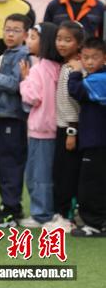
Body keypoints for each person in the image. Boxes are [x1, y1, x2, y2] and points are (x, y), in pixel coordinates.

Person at [0, 14, 31, 227]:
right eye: (7, 29)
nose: (10, 34)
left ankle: (11, 210)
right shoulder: (8, 53)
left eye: (16, 30)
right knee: (1, 162)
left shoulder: (23, 54)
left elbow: (16, 85)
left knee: (9, 163)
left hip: (13, 117)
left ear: (25, 34)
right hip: (3, 116)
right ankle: (8, 205)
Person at [19, 22, 61, 228]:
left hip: (41, 130)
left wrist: (24, 80)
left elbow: (32, 97)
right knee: (48, 173)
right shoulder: (57, 67)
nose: (28, 41)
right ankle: (47, 211)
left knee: (37, 175)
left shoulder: (38, 69)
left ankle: (41, 214)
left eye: (33, 37)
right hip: (55, 129)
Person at [43, 21, 85, 232]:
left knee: (67, 174)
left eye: (68, 40)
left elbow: (74, 104)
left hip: (70, 129)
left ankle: (66, 218)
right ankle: (61, 214)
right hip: (63, 128)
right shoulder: (67, 65)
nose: (61, 44)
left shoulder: (74, 68)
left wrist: (71, 131)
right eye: (59, 39)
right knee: (60, 173)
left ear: (79, 44)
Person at [68, 38, 106, 237]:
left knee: (90, 184)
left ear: (104, 58)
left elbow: (76, 90)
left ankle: (93, 224)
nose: (89, 62)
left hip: (96, 141)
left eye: (95, 57)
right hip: (96, 140)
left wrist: (75, 72)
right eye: (85, 58)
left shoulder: (99, 79)